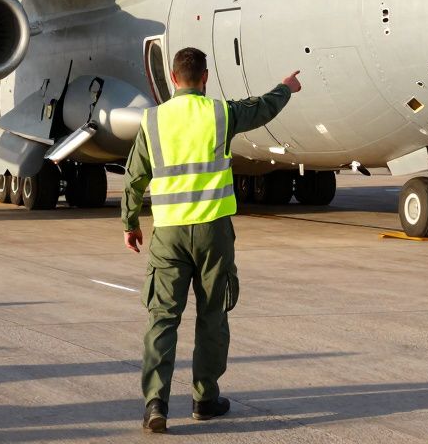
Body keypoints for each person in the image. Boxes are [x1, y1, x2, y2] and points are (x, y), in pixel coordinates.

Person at [121, 47, 300, 433]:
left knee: (162, 319)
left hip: (168, 234)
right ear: (205, 78)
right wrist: (286, 88)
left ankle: (155, 403)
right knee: (213, 316)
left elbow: (135, 175)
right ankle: (205, 399)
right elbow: (262, 108)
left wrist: (130, 222)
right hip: (213, 232)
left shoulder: (152, 120)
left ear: (172, 79)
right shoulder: (220, 113)